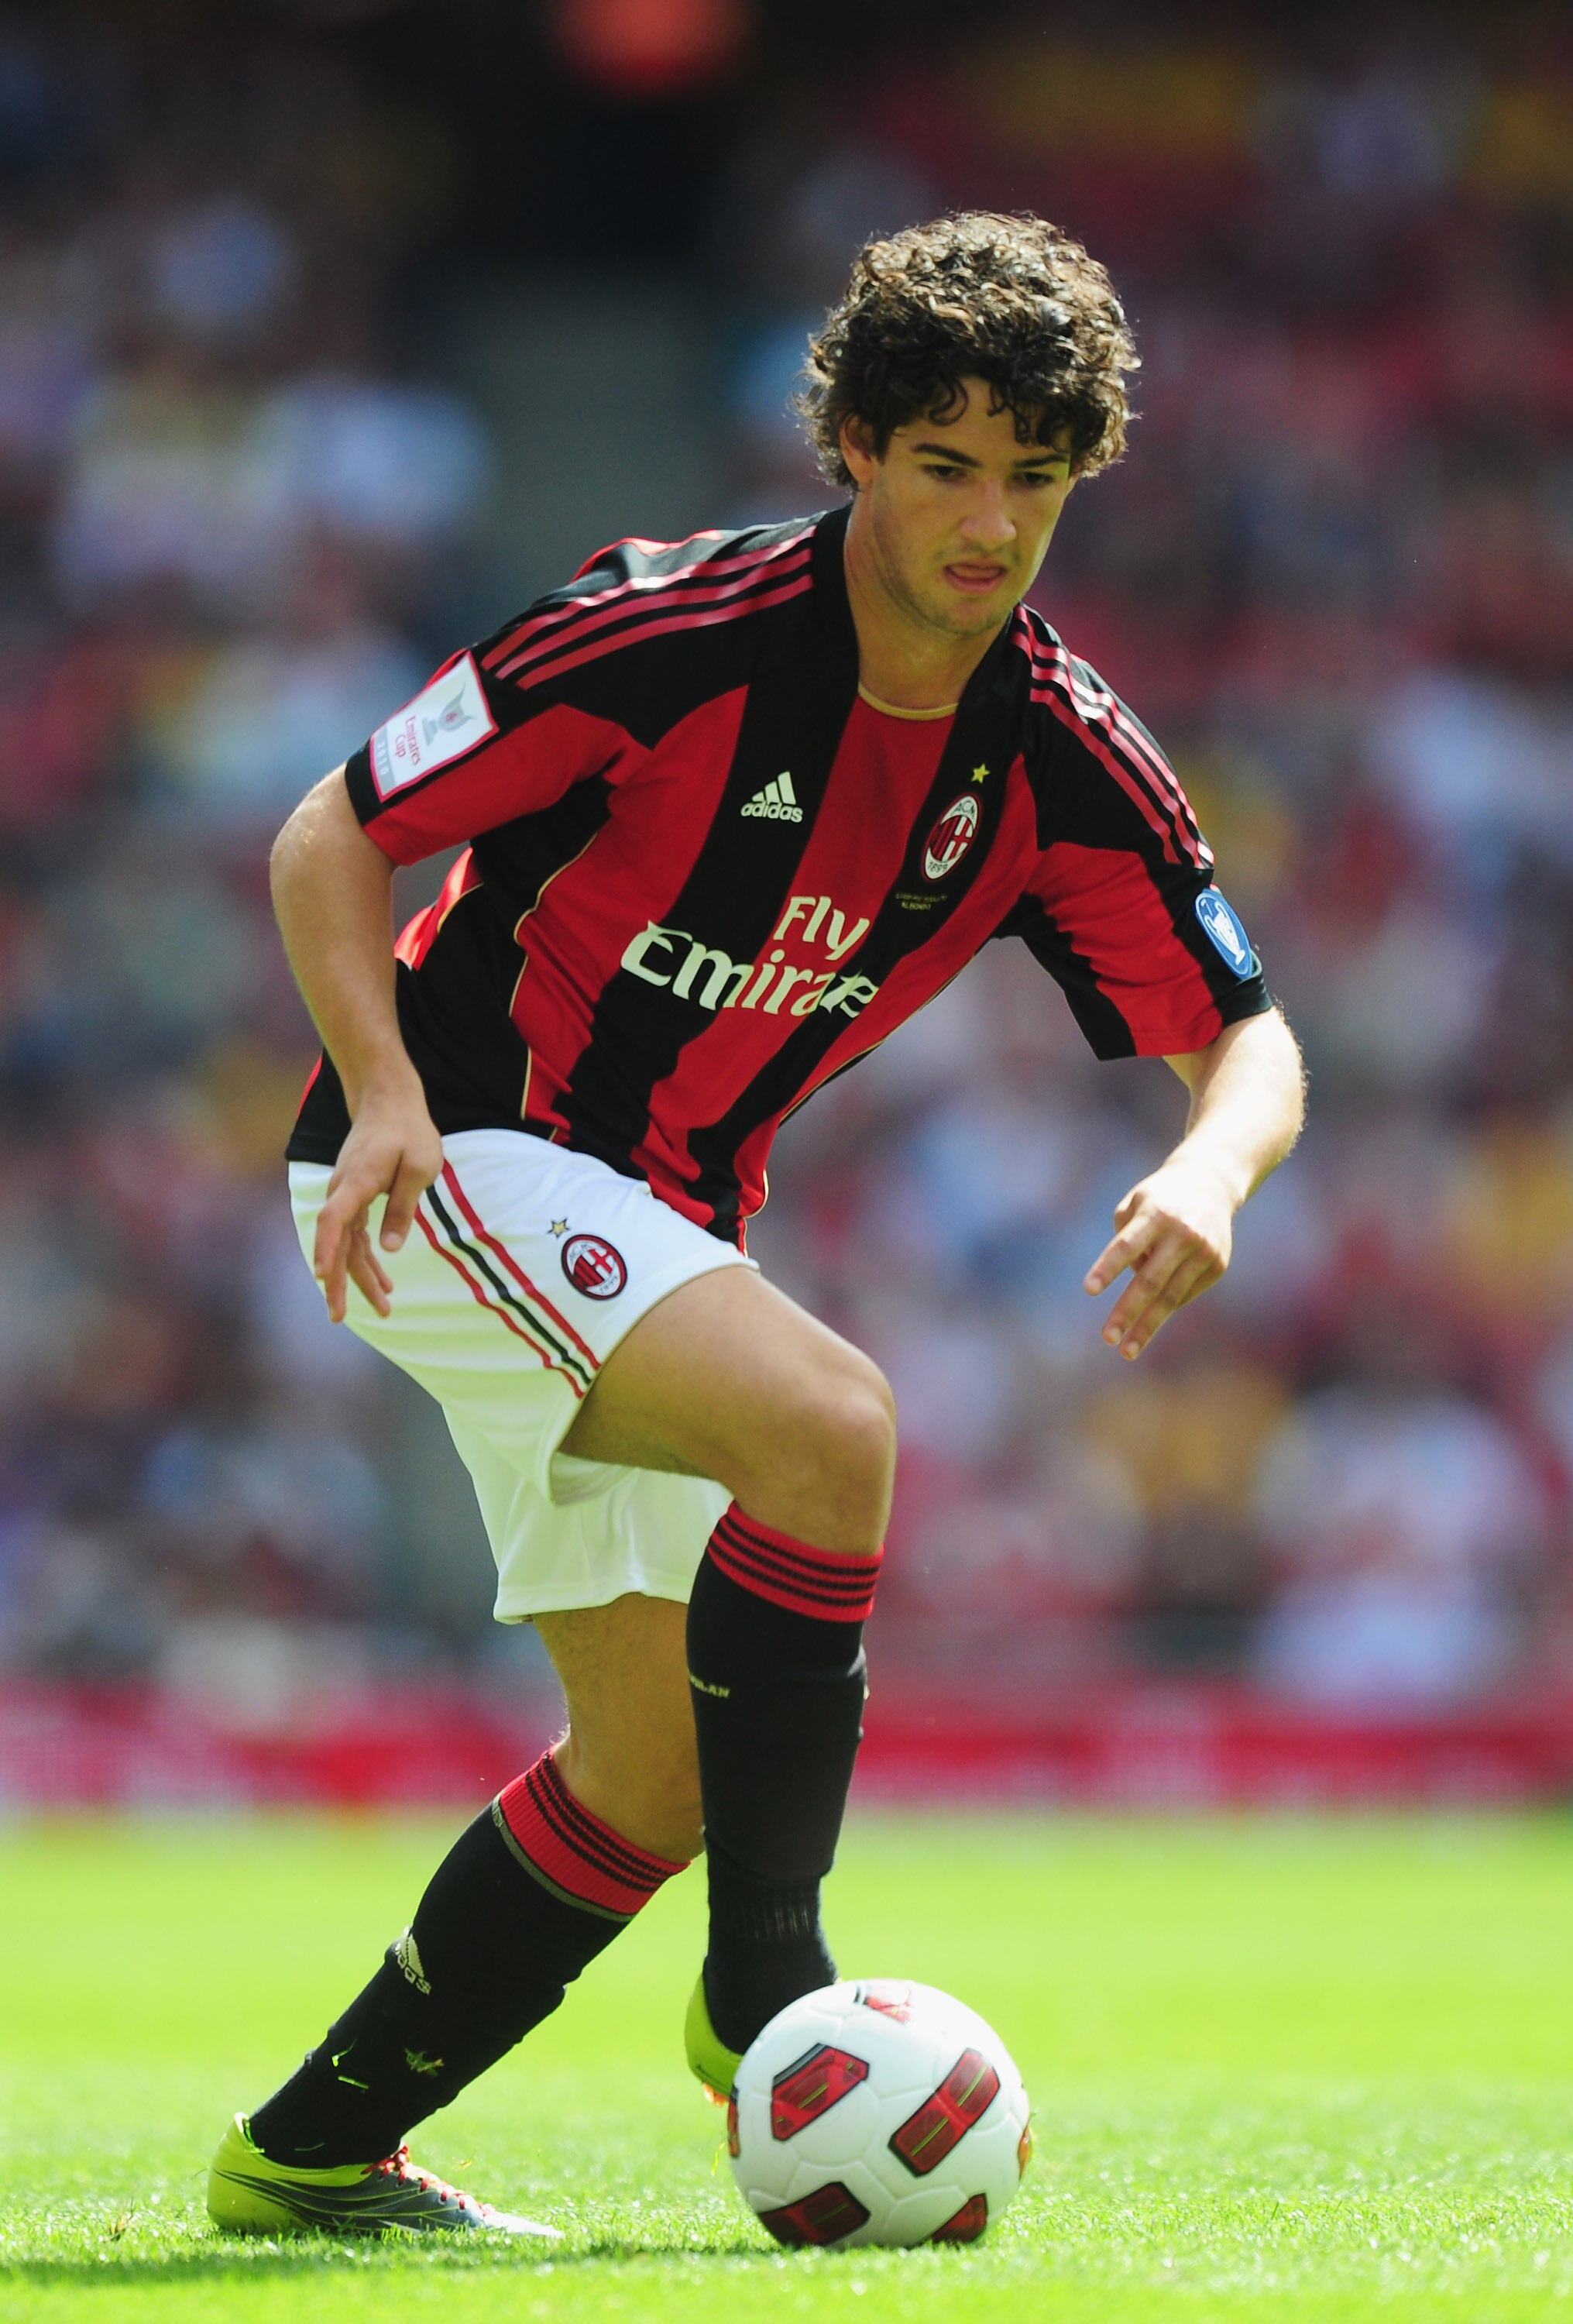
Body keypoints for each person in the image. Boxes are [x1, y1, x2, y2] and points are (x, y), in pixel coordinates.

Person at [208, 211, 1305, 2236]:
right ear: (860, 450)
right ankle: (770, 1995)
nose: (990, 522)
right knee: (836, 1429)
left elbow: (1248, 1034)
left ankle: (310, 2157)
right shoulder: (665, 631)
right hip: (453, 1157)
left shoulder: (1059, 754)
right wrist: (375, 1095)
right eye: (948, 463)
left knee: (651, 1778)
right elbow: (330, 832)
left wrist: (1209, 1168)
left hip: (648, 1211)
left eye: (1035, 479)